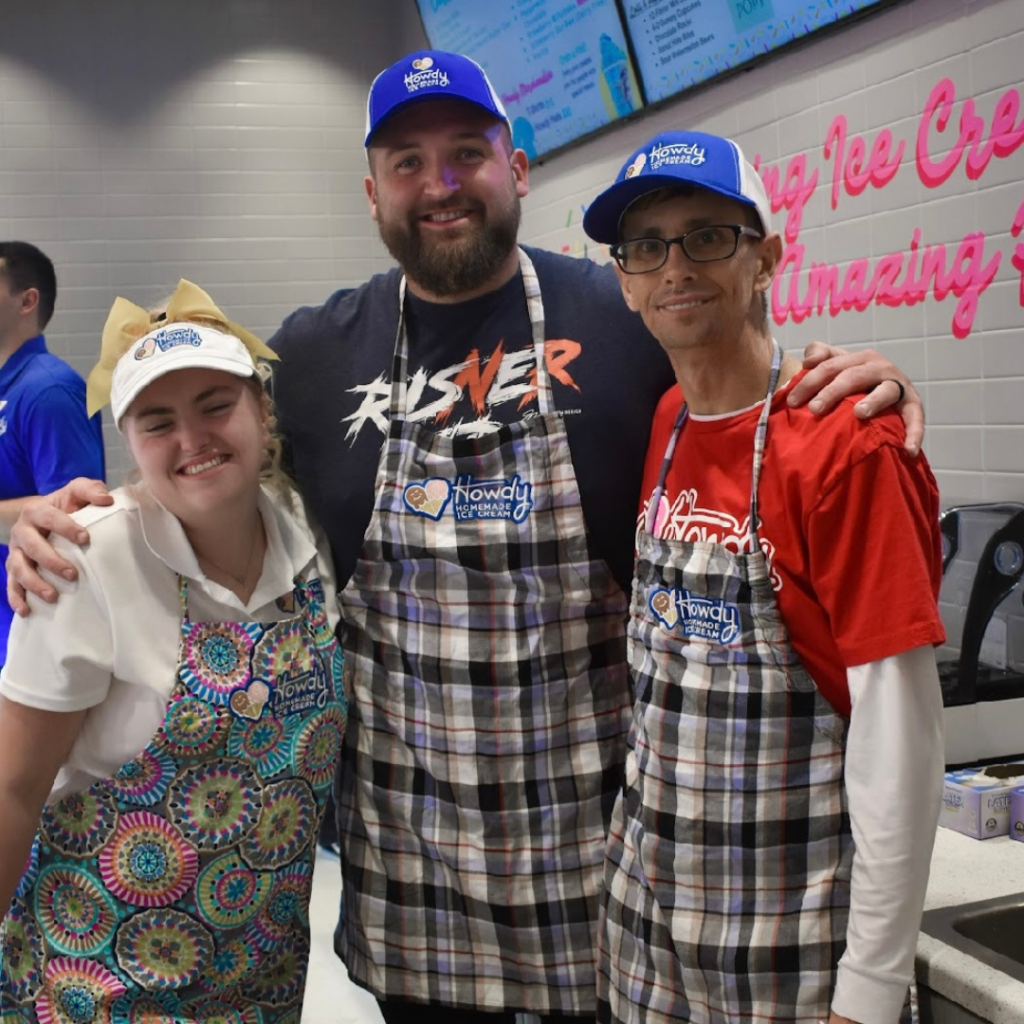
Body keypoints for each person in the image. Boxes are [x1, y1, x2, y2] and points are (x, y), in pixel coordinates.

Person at [5, 51, 926, 1024]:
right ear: (372, 193)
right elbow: (206, 457)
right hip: (416, 902)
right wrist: (74, 515)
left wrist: (874, 389)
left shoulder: (618, 318)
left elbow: (742, 386)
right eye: (407, 162)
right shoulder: (319, 351)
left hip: (601, 906)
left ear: (515, 168)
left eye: (465, 153)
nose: (439, 185)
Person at [581, 130, 945, 1024]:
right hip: (649, 934)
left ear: (767, 259)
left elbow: (900, 743)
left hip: (792, 951)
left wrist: (867, 992)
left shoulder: (847, 445)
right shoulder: (667, 417)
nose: (677, 266)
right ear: (625, 283)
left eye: (708, 235)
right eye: (646, 245)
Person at [0, 282, 347, 1022]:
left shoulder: (308, 535)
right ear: (130, 441)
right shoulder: (87, 560)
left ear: (262, 410)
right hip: (98, 983)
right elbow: (13, 789)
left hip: (262, 977)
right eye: (158, 422)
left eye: (216, 406)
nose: (193, 440)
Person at [0, 241, 105, 667]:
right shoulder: (8, 387)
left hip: (26, 619)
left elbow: (73, 512)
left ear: (27, 301)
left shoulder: (49, 390)